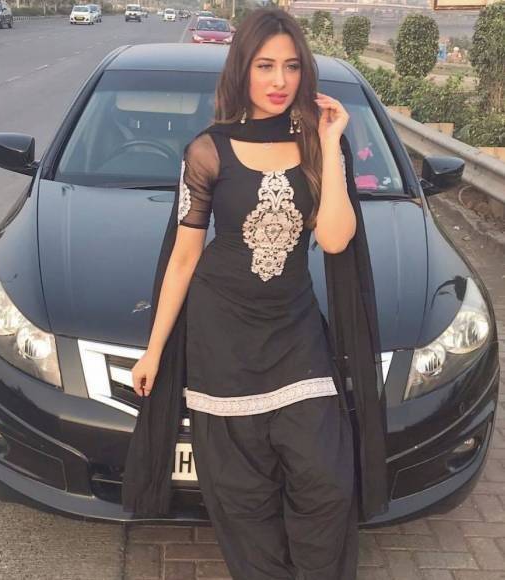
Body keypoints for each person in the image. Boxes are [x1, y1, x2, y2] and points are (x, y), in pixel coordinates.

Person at [122, 8, 389, 580]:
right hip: (221, 337)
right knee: (242, 497)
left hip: (295, 333)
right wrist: (155, 349)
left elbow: (335, 239)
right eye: (265, 65)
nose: (279, 80)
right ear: (242, 69)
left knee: (327, 484)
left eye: (291, 66)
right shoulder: (207, 150)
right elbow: (184, 258)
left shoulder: (319, 146)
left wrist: (332, 143)